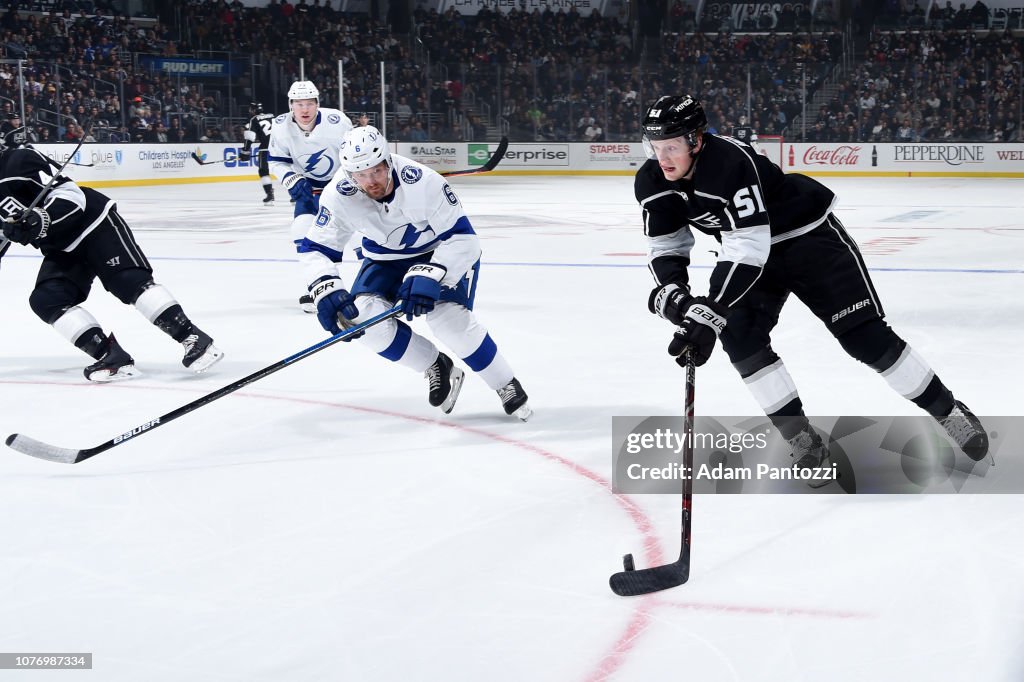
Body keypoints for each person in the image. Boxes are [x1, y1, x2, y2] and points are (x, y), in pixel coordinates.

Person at [635, 95, 988, 483]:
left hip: (809, 240)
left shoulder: (730, 163)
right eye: (654, 146)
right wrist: (676, 296)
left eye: (671, 146)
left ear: (696, 140)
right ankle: (802, 439)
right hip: (756, 261)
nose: (662, 156)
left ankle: (947, 410)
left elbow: (748, 245)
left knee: (865, 339)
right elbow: (667, 245)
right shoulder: (652, 180)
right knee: (741, 340)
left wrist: (711, 310)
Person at [297, 126, 531, 420]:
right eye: (361, 175)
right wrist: (326, 289)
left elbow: (465, 241)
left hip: (439, 253)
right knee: (360, 321)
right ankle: (435, 364)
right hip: (383, 260)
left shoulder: (423, 181)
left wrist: (429, 274)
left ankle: (504, 382)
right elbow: (316, 247)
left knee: (447, 321)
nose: (371, 182)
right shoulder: (338, 194)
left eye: (376, 171)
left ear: (388, 161)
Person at [0, 133, 223, 382]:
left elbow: (73, 197)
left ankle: (193, 338)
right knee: (46, 300)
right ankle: (112, 356)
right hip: (61, 246)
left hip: (94, 223)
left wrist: (40, 218)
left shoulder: (18, 161)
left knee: (127, 282)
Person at [267, 80, 353, 313]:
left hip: (341, 188)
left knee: (364, 237)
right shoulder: (281, 126)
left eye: (309, 104)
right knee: (302, 232)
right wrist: (291, 179)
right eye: (298, 104)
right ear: (291, 106)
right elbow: (276, 161)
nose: (304, 109)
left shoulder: (337, 121)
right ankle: (319, 286)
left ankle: (381, 284)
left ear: (317, 104)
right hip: (307, 189)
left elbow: (353, 154)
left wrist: (348, 182)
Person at [239, 101, 275, 205]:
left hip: (265, 148)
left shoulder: (253, 120)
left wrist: (245, 151)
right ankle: (296, 196)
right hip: (282, 146)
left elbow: (250, 137)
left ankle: (269, 195)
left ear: (253, 110)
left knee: (263, 171)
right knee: (286, 170)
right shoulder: (273, 116)